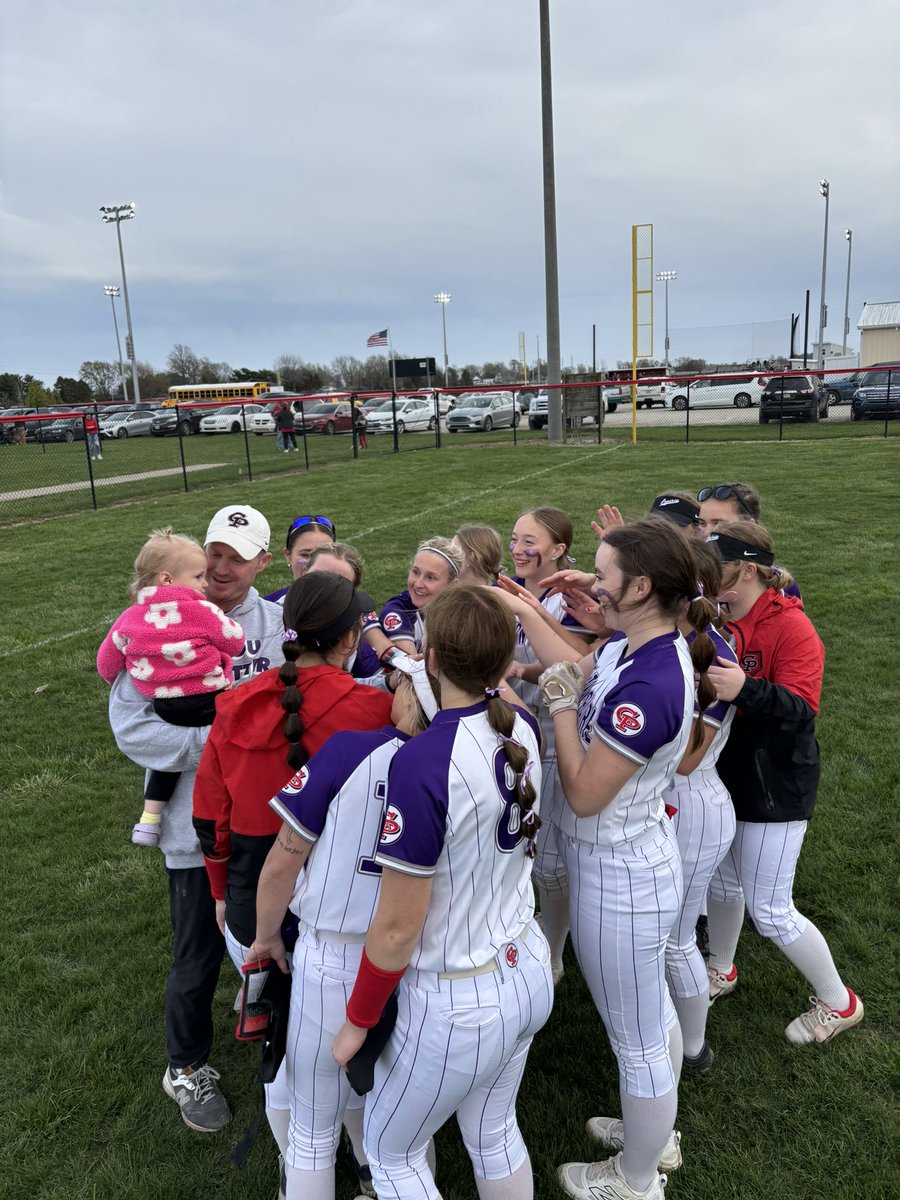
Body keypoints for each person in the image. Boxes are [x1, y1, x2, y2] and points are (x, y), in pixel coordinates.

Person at [332, 585, 554, 1200]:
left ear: (429, 658)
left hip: (458, 995)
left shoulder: (425, 761)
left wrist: (358, 1019)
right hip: (524, 965)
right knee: (493, 1130)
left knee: (390, 1152)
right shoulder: (523, 727)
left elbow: (399, 925)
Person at [535, 517, 719, 1200]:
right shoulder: (643, 641)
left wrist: (559, 705)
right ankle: (655, 1135)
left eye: (604, 574)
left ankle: (636, 1180)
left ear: (642, 587)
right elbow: (607, 640)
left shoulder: (651, 683)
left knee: (636, 1037)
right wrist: (596, 594)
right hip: (631, 858)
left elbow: (583, 795)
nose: (593, 582)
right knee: (652, 1019)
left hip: (619, 870)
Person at [192, 571, 395, 1169]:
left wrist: (219, 893)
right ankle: (357, 1157)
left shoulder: (234, 704)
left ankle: (299, 1159)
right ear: (349, 639)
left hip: (251, 894)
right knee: (351, 1038)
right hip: (337, 901)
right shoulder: (374, 708)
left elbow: (211, 813)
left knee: (283, 1036)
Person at [106, 503, 284, 1134]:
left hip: (280, 830)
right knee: (196, 954)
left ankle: (279, 1044)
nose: (221, 566)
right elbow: (132, 728)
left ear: (264, 561)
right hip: (194, 831)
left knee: (282, 947)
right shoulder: (157, 624)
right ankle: (185, 1066)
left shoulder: (280, 624)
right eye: (214, 552)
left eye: (238, 556)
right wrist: (228, 745)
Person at [246, 666, 433, 1200]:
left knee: (311, 1130)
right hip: (421, 959)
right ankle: (376, 1179)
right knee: (401, 1133)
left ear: (414, 697)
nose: (392, 688)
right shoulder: (465, 756)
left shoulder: (350, 749)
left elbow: (283, 861)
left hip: (338, 954)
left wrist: (266, 937)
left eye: (402, 682)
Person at [704, 521, 864, 1045]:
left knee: (771, 910)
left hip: (776, 788)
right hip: (727, 779)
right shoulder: (720, 617)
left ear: (747, 570)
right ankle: (721, 969)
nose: (707, 578)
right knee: (722, 885)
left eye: (717, 568)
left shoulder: (793, 628)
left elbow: (801, 708)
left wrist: (744, 688)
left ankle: (840, 1004)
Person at [97, 528, 244, 846]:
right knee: (236, 735)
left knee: (166, 763)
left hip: (166, 707)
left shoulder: (129, 618)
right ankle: (234, 806)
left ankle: (149, 820)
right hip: (210, 699)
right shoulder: (200, 610)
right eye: (198, 575)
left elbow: (107, 663)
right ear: (167, 579)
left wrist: (126, 678)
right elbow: (234, 641)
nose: (205, 583)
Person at [506, 506, 593, 985]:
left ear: (559, 551)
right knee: (523, 845)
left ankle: (554, 953)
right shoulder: (511, 588)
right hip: (514, 729)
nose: (518, 549)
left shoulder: (570, 597)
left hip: (555, 731)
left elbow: (579, 664)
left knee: (550, 859)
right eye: (515, 538)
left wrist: (521, 670)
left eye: (530, 541)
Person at [662, 541, 737, 1074]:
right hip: (675, 803)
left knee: (675, 938)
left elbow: (687, 762)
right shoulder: (678, 638)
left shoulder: (713, 654)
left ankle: (693, 1049)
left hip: (694, 804)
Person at [304, 542, 395, 686]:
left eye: (339, 585)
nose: (322, 590)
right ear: (304, 573)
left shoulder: (351, 640)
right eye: (317, 577)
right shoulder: (269, 618)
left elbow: (350, 687)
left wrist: (391, 682)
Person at [695, 483, 801, 599]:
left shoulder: (781, 584)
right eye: (702, 523)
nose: (706, 532)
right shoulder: (688, 575)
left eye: (718, 524)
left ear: (749, 525)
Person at [379, 536, 464, 655]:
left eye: (430, 577)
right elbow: (412, 668)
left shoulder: (462, 614)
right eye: (415, 572)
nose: (418, 584)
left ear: (452, 585)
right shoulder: (398, 610)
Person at [265, 515, 338, 605]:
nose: (315, 565)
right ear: (288, 556)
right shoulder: (267, 609)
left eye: (324, 554)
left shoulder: (353, 607)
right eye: (305, 555)